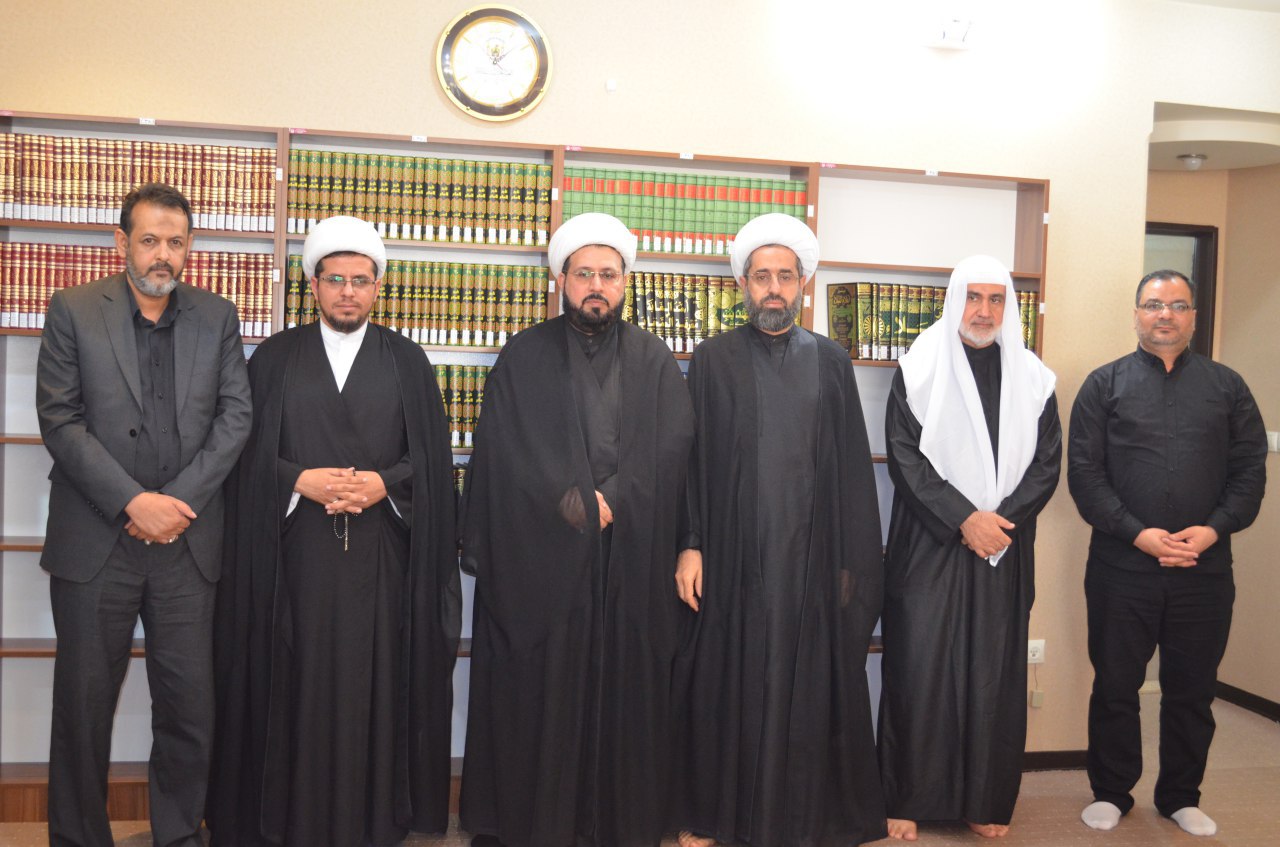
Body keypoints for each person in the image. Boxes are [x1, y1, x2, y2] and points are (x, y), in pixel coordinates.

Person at [206, 216, 460, 847]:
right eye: (336, 280)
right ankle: (288, 818)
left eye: (361, 281)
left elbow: (431, 462)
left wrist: (384, 484)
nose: (348, 292)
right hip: (293, 560)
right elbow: (242, 455)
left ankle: (371, 820)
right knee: (294, 681)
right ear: (313, 285)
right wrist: (298, 479)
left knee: (373, 685)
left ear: (378, 287)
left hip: (381, 563)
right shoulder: (274, 358)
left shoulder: (407, 361)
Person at [459, 212, 694, 847]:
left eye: (608, 275)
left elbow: (673, 449)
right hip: (545, 561)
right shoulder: (524, 355)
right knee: (543, 691)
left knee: (627, 691)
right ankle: (536, 821)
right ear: (561, 279)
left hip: (630, 559)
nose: (596, 286)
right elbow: (504, 451)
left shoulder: (654, 359)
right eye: (584, 273)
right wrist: (569, 499)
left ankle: (619, 821)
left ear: (625, 282)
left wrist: (612, 498)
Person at [36, 182, 252, 847]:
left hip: (186, 544)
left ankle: (179, 835)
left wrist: (174, 505)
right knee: (82, 709)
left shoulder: (217, 316)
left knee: (189, 707)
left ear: (190, 248)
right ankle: (78, 838)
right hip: (95, 540)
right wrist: (134, 502)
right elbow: (60, 420)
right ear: (121, 242)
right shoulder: (74, 309)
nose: (163, 254)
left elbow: (235, 418)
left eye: (176, 242)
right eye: (150, 239)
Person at [671, 213, 886, 847]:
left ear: (802, 284)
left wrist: (850, 565)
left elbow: (852, 470)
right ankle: (715, 816)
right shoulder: (712, 359)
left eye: (784, 276)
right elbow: (690, 463)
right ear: (742, 284)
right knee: (726, 681)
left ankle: (803, 818)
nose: (773, 288)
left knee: (808, 683)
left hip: (810, 562)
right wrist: (691, 543)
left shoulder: (832, 361)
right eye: (761, 276)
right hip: (733, 557)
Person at [1069, 269, 1266, 838]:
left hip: (1204, 571)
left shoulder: (1228, 387)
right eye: (1155, 305)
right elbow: (1085, 475)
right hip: (1121, 567)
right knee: (1115, 686)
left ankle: (1181, 796)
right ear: (1136, 313)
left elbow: (1249, 473)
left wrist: (1212, 531)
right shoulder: (1103, 386)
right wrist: (1139, 534)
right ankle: (1111, 792)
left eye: (1178, 306)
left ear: (1193, 317)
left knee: (1192, 691)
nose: (1165, 315)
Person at [876, 255, 1060, 841]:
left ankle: (984, 800)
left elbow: (1047, 464)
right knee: (919, 668)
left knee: (992, 675)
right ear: (954, 301)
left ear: (1009, 307)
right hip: (929, 542)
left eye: (995, 299)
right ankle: (905, 797)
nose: (983, 311)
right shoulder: (918, 368)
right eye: (973, 298)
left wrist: (997, 523)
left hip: (1004, 543)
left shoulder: (1035, 378)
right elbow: (904, 456)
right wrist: (963, 519)